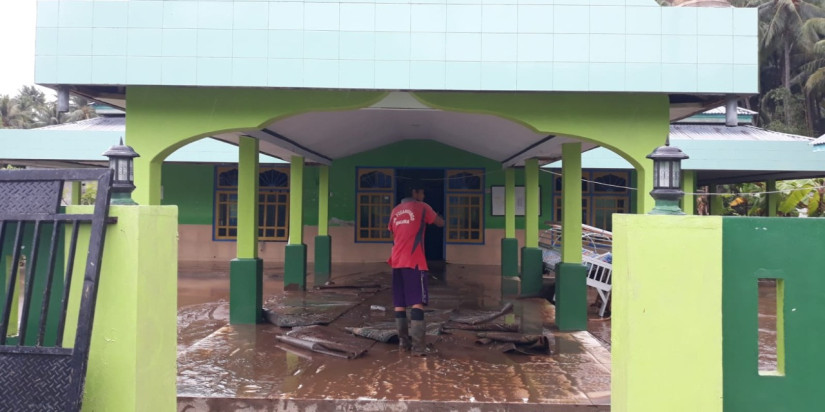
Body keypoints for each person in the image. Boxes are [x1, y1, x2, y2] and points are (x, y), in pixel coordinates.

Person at [388, 181, 444, 356]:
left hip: (396, 260)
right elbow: (440, 223)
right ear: (415, 192)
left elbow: (392, 233)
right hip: (414, 261)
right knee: (417, 302)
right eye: (422, 193)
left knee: (399, 303)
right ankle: (419, 348)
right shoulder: (422, 207)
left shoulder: (395, 210)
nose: (424, 196)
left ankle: (403, 344)